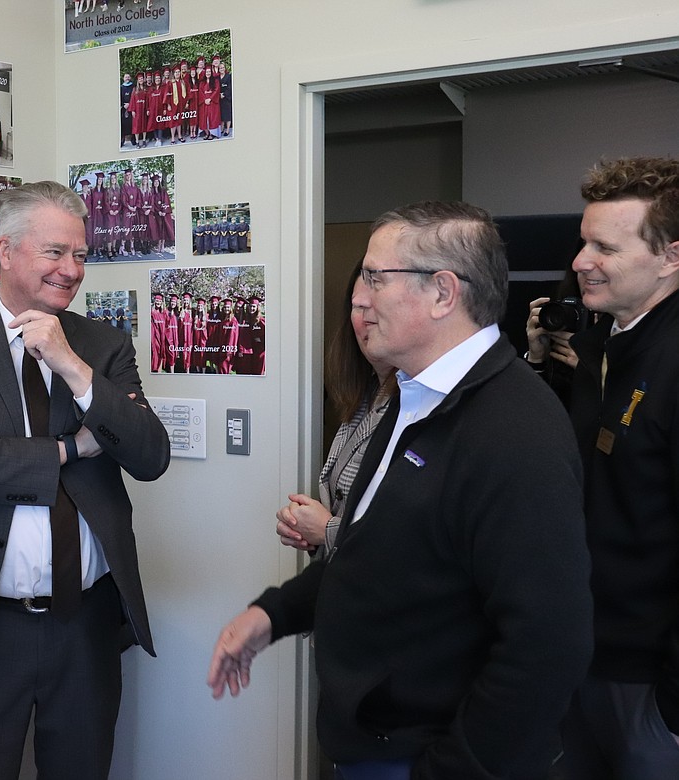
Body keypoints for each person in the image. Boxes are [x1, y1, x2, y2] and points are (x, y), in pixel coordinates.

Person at [208, 201, 592, 779]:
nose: (357, 298)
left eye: (374, 278)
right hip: (375, 746)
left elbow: (547, 645)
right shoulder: (411, 401)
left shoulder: (516, 430)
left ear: (443, 293)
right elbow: (374, 551)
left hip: (425, 757)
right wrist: (274, 612)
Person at [0, 181, 170, 780]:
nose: (71, 270)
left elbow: (149, 456)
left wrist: (73, 368)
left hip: (86, 622)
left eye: (80, 255)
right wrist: (69, 449)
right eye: (54, 252)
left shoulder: (103, 344)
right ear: (4, 249)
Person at [524, 157, 679, 778]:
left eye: (604, 247)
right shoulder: (602, 347)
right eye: (583, 241)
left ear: (670, 257)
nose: (581, 260)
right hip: (583, 658)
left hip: (651, 690)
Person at [278, 269, 395, 558]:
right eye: (359, 306)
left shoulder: (418, 406)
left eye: (377, 304)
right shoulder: (363, 397)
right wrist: (303, 526)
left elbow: (409, 537)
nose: (367, 316)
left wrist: (327, 530)